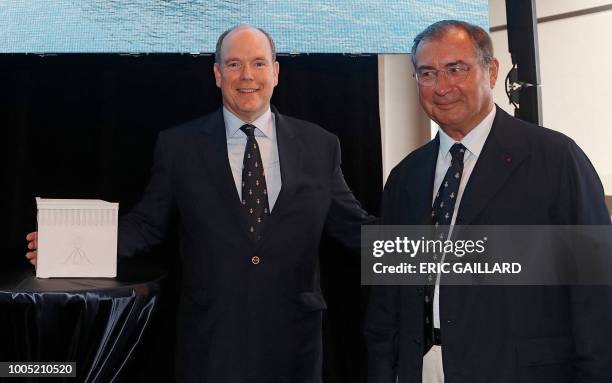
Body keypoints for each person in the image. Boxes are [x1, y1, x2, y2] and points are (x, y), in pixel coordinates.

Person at [26, 25, 375, 383]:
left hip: (294, 346)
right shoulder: (179, 147)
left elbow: (353, 228)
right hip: (211, 345)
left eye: (257, 63)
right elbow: (146, 226)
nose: (246, 76)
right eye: (234, 64)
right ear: (217, 74)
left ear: (275, 71)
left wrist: (429, 252)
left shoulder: (320, 145)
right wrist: (66, 242)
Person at [365, 20, 612, 383]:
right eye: (428, 73)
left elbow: (597, 293)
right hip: (423, 369)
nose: (442, 86)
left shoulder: (556, 159)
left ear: (491, 71)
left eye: (456, 69)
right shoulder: (405, 176)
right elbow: (385, 304)